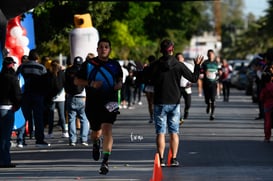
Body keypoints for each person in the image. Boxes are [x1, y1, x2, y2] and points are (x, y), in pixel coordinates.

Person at [146, 39, 203, 167]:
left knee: (160, 132)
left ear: (161, 50)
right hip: (174, 102)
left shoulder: (155, 65)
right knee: (174, 131)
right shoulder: (179, 65)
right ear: (172, 50)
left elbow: (144, 78)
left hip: (159, 101)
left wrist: (144, 71)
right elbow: (194, 78)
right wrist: (197, 65)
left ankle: (161, 159)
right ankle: (174, 159)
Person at [74, 38, 123, 175]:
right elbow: (76, 80)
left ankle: (105, 161)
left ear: (110, 49)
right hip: (93, 102)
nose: (103, 49)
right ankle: (96, 143)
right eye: (101, 47)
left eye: (106, 47)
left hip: (110, 102)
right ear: (97, 49)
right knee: (96, 132)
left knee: (107, 129)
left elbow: (119, 79)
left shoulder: (115, 64)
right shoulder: (88, 64)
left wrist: (119, 85)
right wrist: (91, 83)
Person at [17, 49, 51, 147]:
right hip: (38, 95)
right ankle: (39, 140)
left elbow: (17, 79)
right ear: (37, 58)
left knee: (24, 118)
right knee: (38, 118)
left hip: (25, 95)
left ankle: (21, 140)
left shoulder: (22, 67)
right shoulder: (41, 68)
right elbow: (46, 83)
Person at [0, 57, 22, 167]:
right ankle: (4, 161)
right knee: (5, 136)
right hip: (7, 108)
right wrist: (17, 106)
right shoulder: (12, 78)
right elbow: (17, 95)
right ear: (11, 65)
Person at [64, 56, 89, 146]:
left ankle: (72, 140)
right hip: (82, 97)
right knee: (84, 119)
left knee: (71, 119)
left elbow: (65, 82)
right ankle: (84, 139)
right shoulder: (84, 71)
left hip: (71, 97)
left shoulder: (68, 70)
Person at [45, 60, 68, 139]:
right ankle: (64, 132)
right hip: (61, 97)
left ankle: (50, 133)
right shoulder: (62, 73)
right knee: (62, 115)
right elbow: (65, 84)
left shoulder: (49, 74)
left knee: (51, 116)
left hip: (52, 97)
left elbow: (47, 86)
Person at [175, 53, 194, 125]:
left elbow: (193, 76)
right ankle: (180, 118)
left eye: (180, 58)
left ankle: (186, 110)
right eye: (177, 58)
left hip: (187, 87)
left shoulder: (189, 66)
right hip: (177, 87)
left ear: (183, 58)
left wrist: (191, 83)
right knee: (176, 103)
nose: (179, 59)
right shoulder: (174, 66)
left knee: (188, 103)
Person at [201, 49, 219, 121]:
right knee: (207, 99)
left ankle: (212, 114)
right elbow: (201, 71)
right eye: (209, 54)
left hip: (214, 83)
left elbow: (220, 71)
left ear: (214, 55)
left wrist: (220, 74)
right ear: (207, 55)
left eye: (211, 54)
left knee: (213, 99)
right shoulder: (205, 63)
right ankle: (208, 105)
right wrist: (204, 72)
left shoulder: (216, 63)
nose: (210, 55)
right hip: (206, 83)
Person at [259, 63, 273, 143]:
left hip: (267, 105)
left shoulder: (264, 88)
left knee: (268, 121)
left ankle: (267, 137)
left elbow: (261, 98)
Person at [142, 55, 156, 123]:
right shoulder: (157, 68)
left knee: (150, 103)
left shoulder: (146, 68)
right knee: (155, 103)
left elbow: (143, 77)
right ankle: (154, 117)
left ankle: (151, 117)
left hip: (148, 86)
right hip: (155, 86)